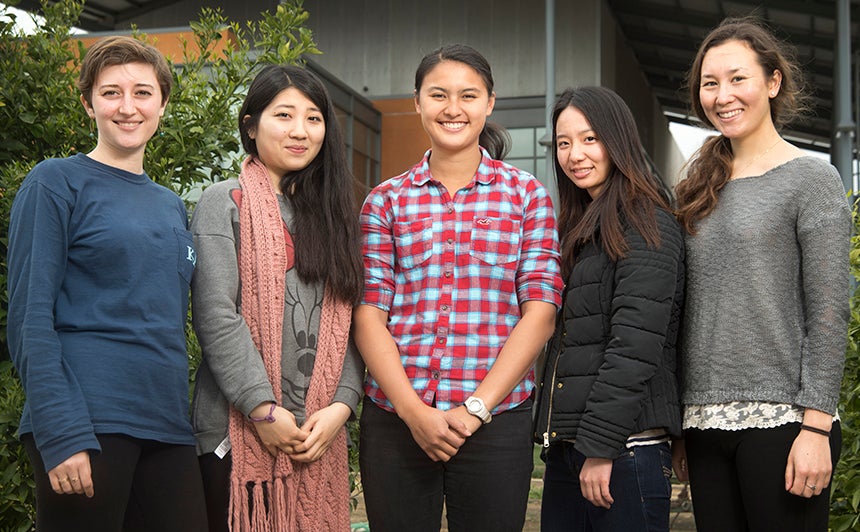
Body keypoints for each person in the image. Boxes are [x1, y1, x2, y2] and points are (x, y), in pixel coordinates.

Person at [353, 43, 564, 532]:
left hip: (494, 420)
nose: (453, 109)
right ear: (418, 101)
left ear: (489, 103)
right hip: (396, 419)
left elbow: (541, 312)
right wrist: (413, 413)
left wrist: (475, 409)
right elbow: (369, 314)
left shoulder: (527, 195)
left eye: (468, 95)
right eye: (439, 95)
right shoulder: (384, 202)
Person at [6, 36, 207, 531]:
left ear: (162, 103)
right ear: (88, 103)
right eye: (111, 92)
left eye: (142, 92)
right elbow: (29, 316)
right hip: (88, 421)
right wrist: (61, 430)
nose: (127, 107)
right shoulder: (55, 182)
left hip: (167, 424)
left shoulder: (170, 204)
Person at [672, 17, 850, 531]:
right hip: (703, 424)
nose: (722, 95)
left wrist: (815, 426)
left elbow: (828, 310)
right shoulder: (696, 188)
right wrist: (683, 424)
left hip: (786, 423)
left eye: (737, 78)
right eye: (710, 83)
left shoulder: (811, 178)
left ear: (772, 82)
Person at [189, 64, 365, 532]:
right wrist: (262, 410)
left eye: (313, 118)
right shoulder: (223, 201)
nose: (300, 131)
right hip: (236, 431)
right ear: (251, 124)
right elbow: (216, 314)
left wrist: (341, 407)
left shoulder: (336, 215)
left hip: (318, 430)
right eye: (283, 115)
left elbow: (353, 321)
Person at [532, 86, 685, 532]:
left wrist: (601, 449)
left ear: (618, 140)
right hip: (574, 448)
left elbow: (634, 347)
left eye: (589, 139)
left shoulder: (646, 222)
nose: (574, 154)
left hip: (622, 452)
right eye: (563, 142)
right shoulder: (584, 227)